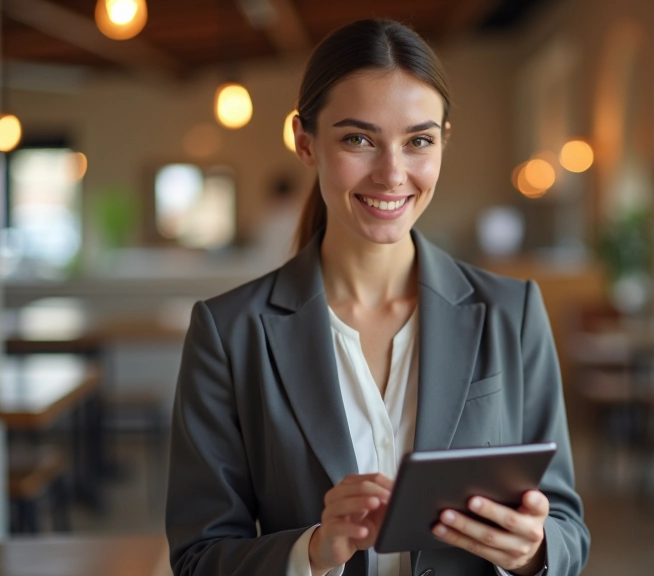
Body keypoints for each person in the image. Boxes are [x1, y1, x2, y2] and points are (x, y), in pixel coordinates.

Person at [166, 19, 589, 576]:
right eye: (358, 139)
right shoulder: (229, 333)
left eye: (418, 141)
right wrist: (312, 551)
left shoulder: (512, 314)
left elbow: (565, 531)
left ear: (443, 142)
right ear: (305, 141)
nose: (392, 174)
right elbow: (198, 559)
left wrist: (533, 552)